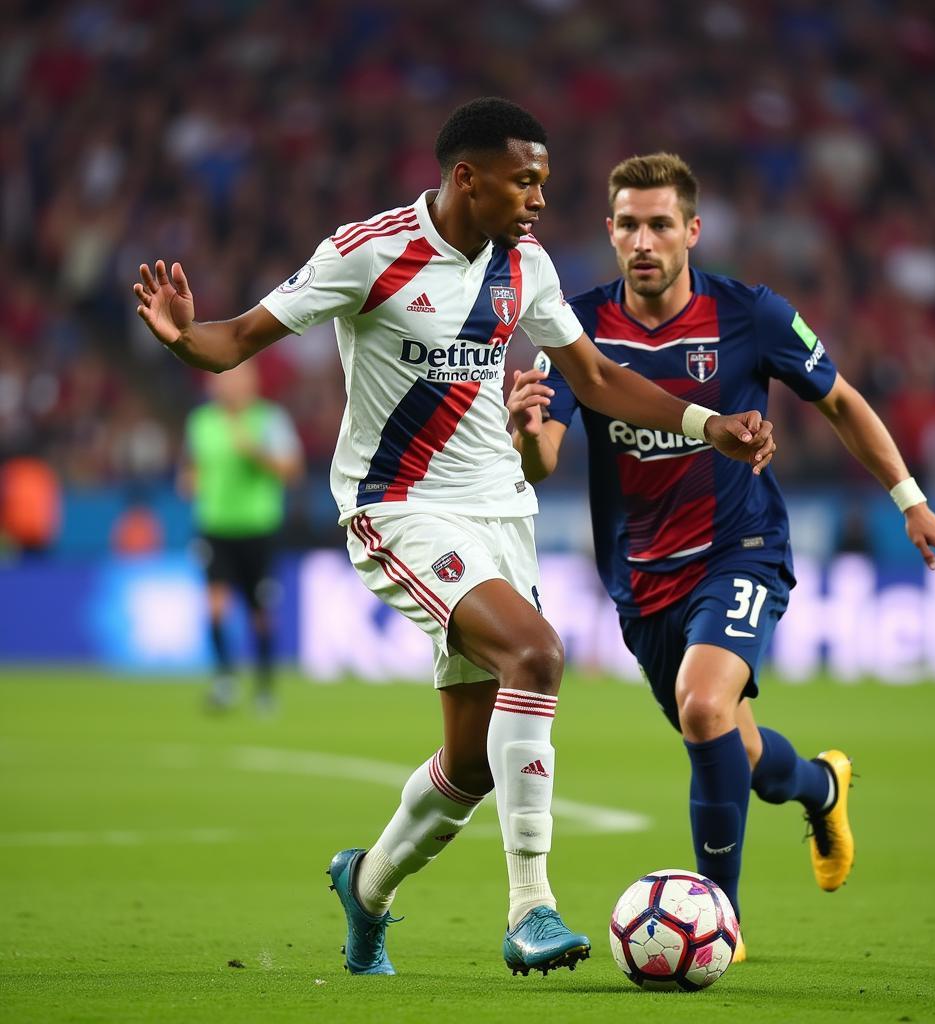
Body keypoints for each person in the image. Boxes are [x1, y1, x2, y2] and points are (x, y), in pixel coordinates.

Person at [133, 99, 775, 978]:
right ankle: (532, 909)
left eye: (543, 181)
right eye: (525, 180)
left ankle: (365, 887)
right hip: (397, 507)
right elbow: (234, 339)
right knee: (538, 655)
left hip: (500, 513)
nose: (540, 198)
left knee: (471, 765)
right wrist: (181, 341)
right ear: (467, 178)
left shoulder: (527, 266)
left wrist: (707, 423)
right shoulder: (369, 251)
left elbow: (593, 377)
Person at [508, 152, 935, 962]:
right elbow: (543, 461)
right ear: (608, 232)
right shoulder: (575, 329)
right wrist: (522, 429)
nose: (642, 241)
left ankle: (718, 917)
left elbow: (839, 400)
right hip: (641, 579)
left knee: (702, 706)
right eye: (627, 225)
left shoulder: (749, 314)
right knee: (742, 750)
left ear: (692, 230)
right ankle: (822, 786)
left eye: (659, 224)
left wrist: (912, 501)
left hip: (740, 548)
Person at [179, 361, 303, 711]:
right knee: (216, 606)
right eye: (219, 380)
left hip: (257, 527)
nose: (225, 386)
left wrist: (256, 453)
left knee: (260, 611)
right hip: (214, 527)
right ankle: (225, 679)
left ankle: (264, 687)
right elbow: (191, 466)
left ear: (251, 383)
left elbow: (292, 470)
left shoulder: (269, 419)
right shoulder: (201, 422)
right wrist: (188, 480)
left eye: (233, 379)